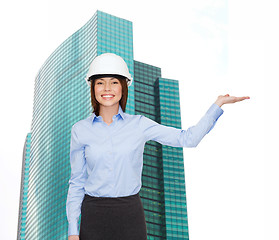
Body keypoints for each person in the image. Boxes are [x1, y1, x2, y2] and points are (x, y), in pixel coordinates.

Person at [66, 53, 250, 240]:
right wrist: (73, 230)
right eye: (100, 82)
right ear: (92, 87)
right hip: (93, 215)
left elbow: (187, 139)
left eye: (114, 82)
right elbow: (77, 182)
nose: (107, 88)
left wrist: (217, 105)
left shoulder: (139, 125)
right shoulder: (80, 130)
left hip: (130, 214)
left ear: (123, 87)